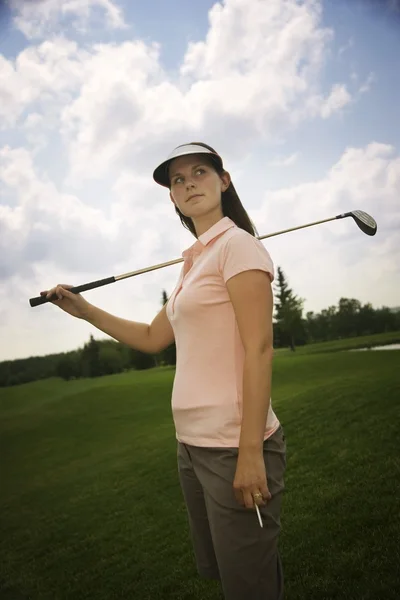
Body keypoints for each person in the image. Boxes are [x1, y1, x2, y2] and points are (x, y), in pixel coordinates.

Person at [42, 142, 287, 600]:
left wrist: (251, 452)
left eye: (199, 172)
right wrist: (86, 311)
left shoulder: (238, 247)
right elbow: (154, 339)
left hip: (234, 445)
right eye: (178, 180)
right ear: (172, 197)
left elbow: (259, 350)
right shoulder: (193, 263)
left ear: (224, 180)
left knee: (250, 584)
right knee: (232, 577)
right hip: (191, 446)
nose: (189, 182)